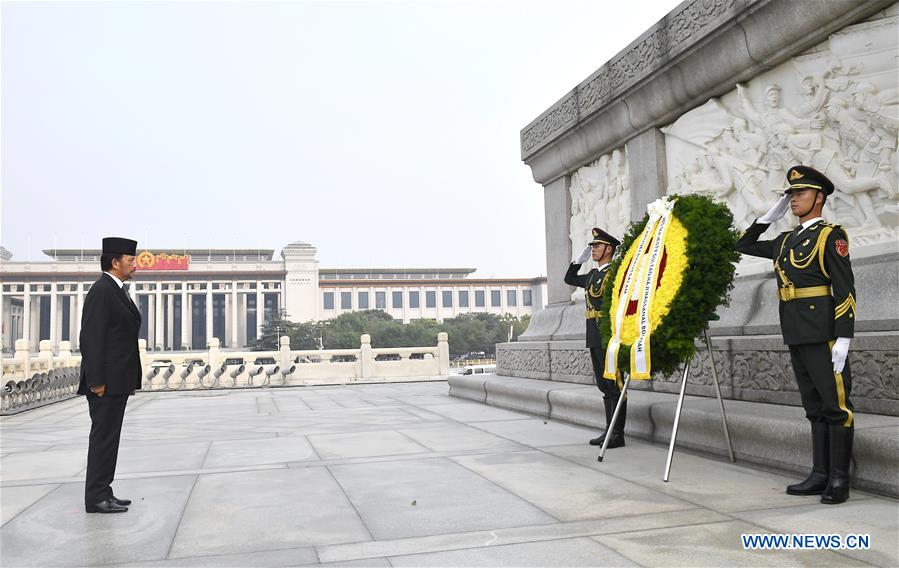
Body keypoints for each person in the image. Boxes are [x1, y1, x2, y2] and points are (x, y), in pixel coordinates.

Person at [736, 165, 856, 504]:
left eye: (799, 193)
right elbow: (743, 244)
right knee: (813, 406)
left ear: (819, 197)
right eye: (789, 195)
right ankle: (819, 474)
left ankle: (839, 478)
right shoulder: (785, 240)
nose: (792, 200)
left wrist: (844, 336)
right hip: (795, 330)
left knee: (836, 407)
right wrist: (767, 217)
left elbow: (845, 288)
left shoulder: (830, 236)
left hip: (823, 332)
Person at [78, 237, 142, 513]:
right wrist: (96, 381)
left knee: (109, 439)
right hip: (104, 383)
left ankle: (105, 491)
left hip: (117, 381)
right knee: (103, 439)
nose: (135, 264)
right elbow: (91, 338)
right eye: (131, 260)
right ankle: (95, 497)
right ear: (115, 262)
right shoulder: (102, 290)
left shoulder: (117, 289)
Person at [564, 227, 625, 448]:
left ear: (609, 249)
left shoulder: (615, 273)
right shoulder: (592, 275)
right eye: (592, 246)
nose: (593, 249)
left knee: (615, 384)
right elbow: (569, 279)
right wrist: (577, 262)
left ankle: (617, 434)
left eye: (597, 246)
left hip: (609, 336)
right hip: (593, 335)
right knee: (604, 385)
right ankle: (609, 430)